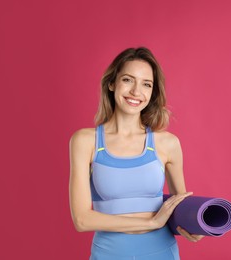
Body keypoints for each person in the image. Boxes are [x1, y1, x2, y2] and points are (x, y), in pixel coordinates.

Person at [69, 47, 204, 259]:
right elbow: (82, 220)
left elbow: (179, 205)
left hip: (162, 253)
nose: (136, 92)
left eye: (146, 84)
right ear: (112, 83)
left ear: (152, 93)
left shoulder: (167, 143)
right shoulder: (85, 141)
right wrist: (151, 222)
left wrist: (193, 225)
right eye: (128, 80)